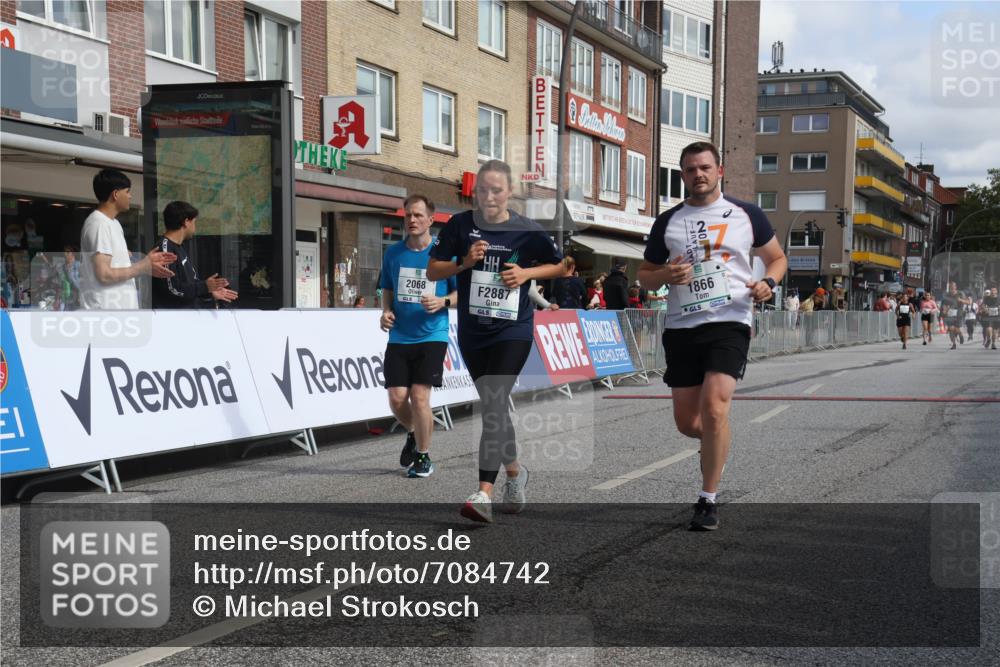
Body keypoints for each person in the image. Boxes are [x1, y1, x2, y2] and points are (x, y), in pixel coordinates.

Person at [638, 141, 787, 531]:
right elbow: (645, 275)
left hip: (731, 320)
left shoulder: (747, 214)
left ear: (720, 171)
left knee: (716, 408)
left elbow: (777, 258)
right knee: (689, 423)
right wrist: (665, 275)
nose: (698, 175)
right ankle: (715, 442)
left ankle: (707, 499)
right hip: (682, 326)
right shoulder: (668, 222)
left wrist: (769, 283)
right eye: (690, 169)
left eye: (705, 167)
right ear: (683, 176)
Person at [426, 159, 564, 522]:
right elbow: (433, 269)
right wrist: (463, 262)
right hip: (473, 331)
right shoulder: (460, 225)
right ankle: (515, 473)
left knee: (493, 401)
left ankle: (483, 493)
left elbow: (561, 265)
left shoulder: (527, 229)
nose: (489, 197)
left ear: (510, 192)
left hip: (513, 329)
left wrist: (526, 273)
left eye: (497, 190)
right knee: (494, 406)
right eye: (483, 190)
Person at [379, 194, 458, 479]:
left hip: (432, 335)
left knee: (420, 396)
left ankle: (424, 457)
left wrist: (443, 301)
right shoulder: (393, 253)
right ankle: (413, 432)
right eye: (408, 215)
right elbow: (387, 288)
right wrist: (385, 311)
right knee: (397, 398)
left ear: (430, 220)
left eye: (418, 215)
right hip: (400, 335)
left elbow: (461, 293)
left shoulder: (445, 255)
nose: (412, 220)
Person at [79, 169, 176, 309]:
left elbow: (112, 266)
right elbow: (104, 275)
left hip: (118, 312)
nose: (130, 196)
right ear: (115, 194)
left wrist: (142, 264)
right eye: (127, 191)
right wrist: (142, 267)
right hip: (106, 313)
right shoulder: (99, 224)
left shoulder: (113, 223)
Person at [151, 201, 238, 309]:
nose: (195, 227)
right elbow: (173, 289)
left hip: (186, 315)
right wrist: (205, 287)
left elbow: (188, 286)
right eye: (194, 222)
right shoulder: (165, 248)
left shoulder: (178, 247)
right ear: (186, 222)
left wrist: (210, 292)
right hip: (171, 317)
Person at [940, 282, 969, 349]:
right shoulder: (946, 295)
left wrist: (961, 300)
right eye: (951, 287)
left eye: (953, 286)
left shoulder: (960, 293)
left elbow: (968, 302)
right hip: (949, 314)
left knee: (957, 328)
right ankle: (954, 344)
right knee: (950, 329)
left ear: (955, 287)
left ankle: (960, 334)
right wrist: (944, 310)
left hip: (958, 314)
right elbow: (944, 304)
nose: (952, 288)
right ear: (949, 287)